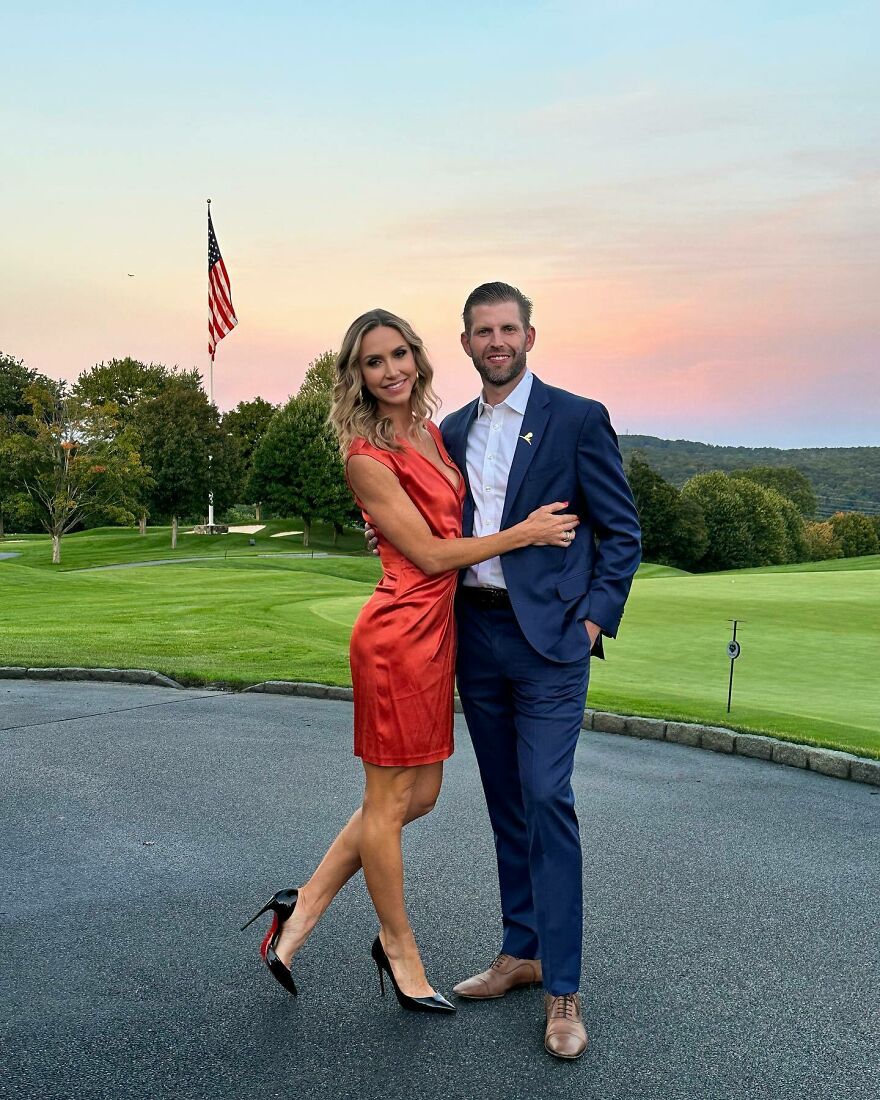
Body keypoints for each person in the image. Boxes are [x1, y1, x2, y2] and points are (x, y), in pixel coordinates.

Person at [241, 307, 580, 1015]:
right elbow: (427, 555)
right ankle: (399, 948)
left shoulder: (432, 433)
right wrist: (524, 535)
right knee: (389, 805)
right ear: (356, 377)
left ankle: (299, 908)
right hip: (397, 635)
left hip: (439, 633)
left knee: (412, 799)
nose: (391, 369)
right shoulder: (365, 457)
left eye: (400, 354)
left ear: (420, 359)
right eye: (374, 361)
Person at [367, 283, 641, 1058]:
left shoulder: (577, 418)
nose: (496, 341)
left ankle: (563, 988)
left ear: (529, 335)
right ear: (463, 343)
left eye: (508, 328)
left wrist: (592, 620)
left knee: (549, 796)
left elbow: (621, 532)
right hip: (475, 638)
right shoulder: (448, 431)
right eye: (482, 331)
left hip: (552, 643)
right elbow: (428, 529)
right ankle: (520, 951)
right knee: (507, 805)